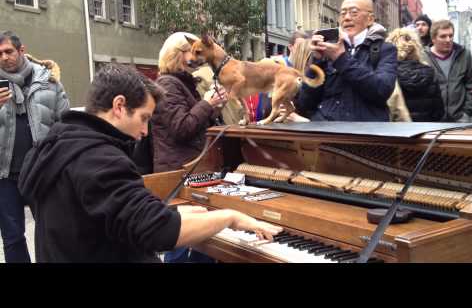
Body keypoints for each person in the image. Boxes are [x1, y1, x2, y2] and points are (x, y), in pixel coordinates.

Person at [17, 64, 281, 263]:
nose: (145, 131)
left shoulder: (59, 143)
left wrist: (183, 214)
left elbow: (106, 216)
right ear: (119, 106)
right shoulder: (100, 159)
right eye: (144, 118)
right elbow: (159, 232)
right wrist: (230, 216)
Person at [151, 32, 228, 262]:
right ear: (178, 55)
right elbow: (181, 128)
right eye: (191, 51)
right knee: (183, 243)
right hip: (179, 175)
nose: (197, 55)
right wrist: (206, 103)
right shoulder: (167, 84)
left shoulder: (183, 83)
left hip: (190, 172)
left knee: (197, 242)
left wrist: (213, 107)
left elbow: (194, 125)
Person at [0, 31, 70, 263]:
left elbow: (66, 124)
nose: (3, 57)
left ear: (21, 51)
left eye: (8, 51)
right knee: (12, 238)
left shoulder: (49, 81)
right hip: (5, 177)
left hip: (41, 172)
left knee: (52, 231)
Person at [295, 0, 397, 122]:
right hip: (326, 133)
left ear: (370, 19)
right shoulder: (327, 50)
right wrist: (317, 62)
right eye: (343, 13)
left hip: (367, 135)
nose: (347, 18)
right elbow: (305, 102)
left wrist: (341, 58)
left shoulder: (385, 49)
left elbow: (381, 90)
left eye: (354, 13)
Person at [423, 20, 472, 122]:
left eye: (450, 35)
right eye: (443, 36)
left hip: (460, 119)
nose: (448, 39)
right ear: (433, 39)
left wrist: (466, 113)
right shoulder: (423, 57)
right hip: (432, 122)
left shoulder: (464, 55)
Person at [386, 28, 444, 122]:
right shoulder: (429, 72)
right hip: (427, 130)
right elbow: (439, 111)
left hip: (399, 131)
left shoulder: (388, 74)